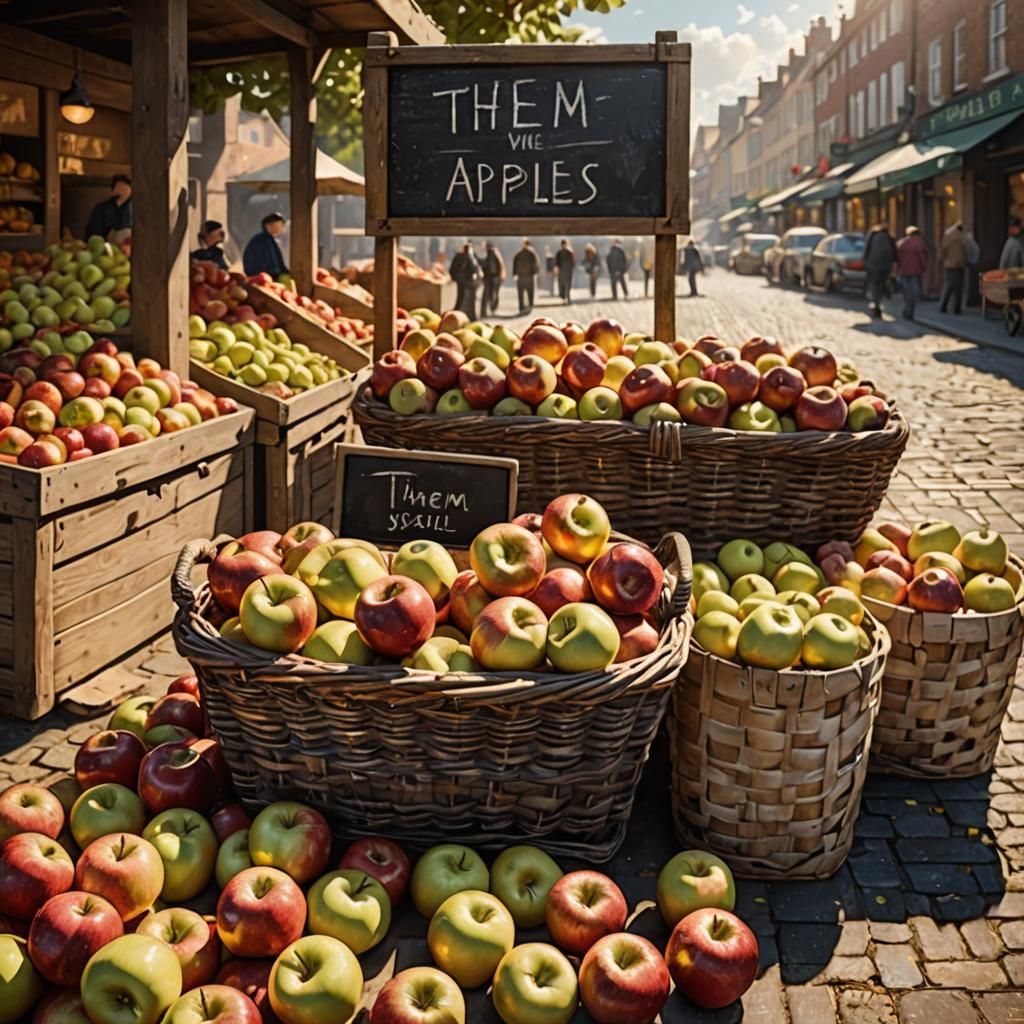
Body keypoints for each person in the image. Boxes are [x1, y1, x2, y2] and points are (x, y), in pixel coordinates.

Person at [864, 223, 897, 318]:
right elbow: (894, 253)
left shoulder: (873, 236)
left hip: (873, 266)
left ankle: (876, 304)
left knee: (875, 286)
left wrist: (866, 263)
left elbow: (867, 251)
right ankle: (878, 303)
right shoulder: (889, 237)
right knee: (881, 285)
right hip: (885, 266)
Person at [896, 225, 929, 320]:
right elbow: (922, 256)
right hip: (915, 271)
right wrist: (924, 266)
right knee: (913, 293)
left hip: (904, 271)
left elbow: (897, 257)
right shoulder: (919, 242)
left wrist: (897, 269)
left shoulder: (901, 243)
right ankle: (910, 312)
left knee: (907, 293)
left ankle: (907, 310)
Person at [85, 175, 132, 240]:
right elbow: (94, 236)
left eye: (125, 188)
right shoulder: (100, 209)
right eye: (119, 187)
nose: (121, 190)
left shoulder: (135, 208)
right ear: (113, 190)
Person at [243, 212, 288, 278]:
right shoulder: (263, 241)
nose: (277, 228)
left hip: (268, 275)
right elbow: (272, 263)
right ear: (266, 226)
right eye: (272, 225)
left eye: (281, 225)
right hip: (263, 276)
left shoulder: (271, 240)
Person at [939, 221, 967, 314]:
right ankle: (957, 309)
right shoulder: (963, 237)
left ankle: (943, 306)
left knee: (948, 286)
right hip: (959, 266)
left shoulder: (948, 235)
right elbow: (966, 251)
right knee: (959, 288)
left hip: (949, 265)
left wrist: (943, 259)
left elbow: (943, 250)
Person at [449, 242, 482, 320]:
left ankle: (457, 315)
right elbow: (474, 268)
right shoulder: (469, 257)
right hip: (468, 283)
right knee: (466, 301)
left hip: (461, 281)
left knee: (461, 299)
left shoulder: (457, 257)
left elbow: (452, 269)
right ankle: (464, 317)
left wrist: (455, 277)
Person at [512, 239, 540, 315]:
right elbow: (535, 264)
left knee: (521, 293)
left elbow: (514, 264)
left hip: (521, 276)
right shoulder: (532, 254)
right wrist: (535, 272)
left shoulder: (518, 254)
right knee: (530, 292)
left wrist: (514, 274)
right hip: (529, 276)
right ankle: (530, 306)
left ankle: (521, 307)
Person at [481, 241, 505, 317]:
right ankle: (491, 310)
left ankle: (490, 310)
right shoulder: (495, 253)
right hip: (494, 277)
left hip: (492, 277)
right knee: (493, 294)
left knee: (491, 294)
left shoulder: (491, 253)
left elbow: (488, 266)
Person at [554, 239, 576, 303]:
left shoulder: (570, 253)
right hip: (561, 272)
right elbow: (556, 263)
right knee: (562, 286)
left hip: (568, 271)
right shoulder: (559, 253)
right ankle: (563, 298)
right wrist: (557, 269)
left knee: (568, 285)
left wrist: (570, 268)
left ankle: (568, 298)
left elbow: (573, 262)